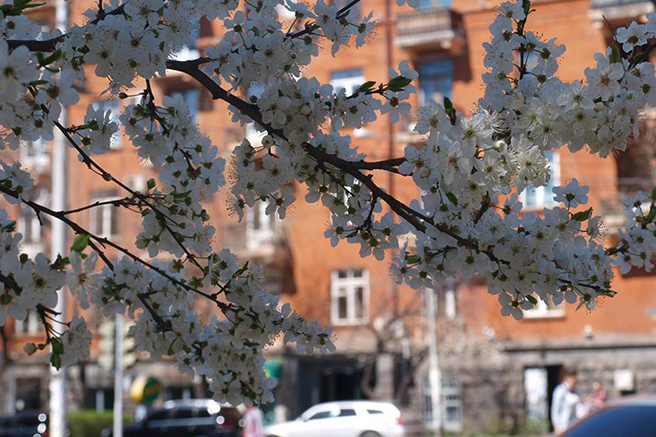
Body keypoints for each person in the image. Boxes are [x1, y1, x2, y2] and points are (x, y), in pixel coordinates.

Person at [551, 367, 582, 435]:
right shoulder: (559, 391)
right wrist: (557, 425)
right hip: (563, 427)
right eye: (572, 377)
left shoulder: (574, 392)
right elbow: (555, 409)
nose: (575, 379)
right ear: (566, 378)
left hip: (574, 426)